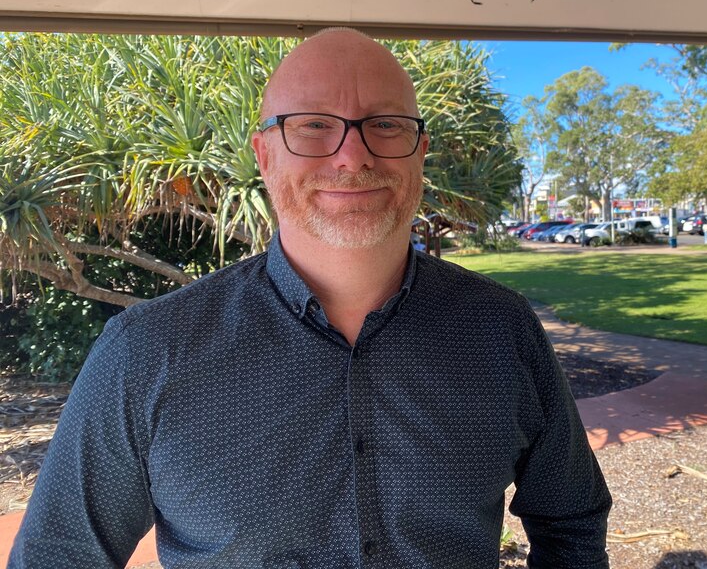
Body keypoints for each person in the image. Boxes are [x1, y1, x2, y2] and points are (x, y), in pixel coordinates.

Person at [9, 29, 611, 568]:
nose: (354, 155)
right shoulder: (148, 352)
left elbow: (572, 524)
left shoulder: (501, 329)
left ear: (420, 151)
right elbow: (59, 556)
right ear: (265, 153)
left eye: (385, 124)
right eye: (314, 125)